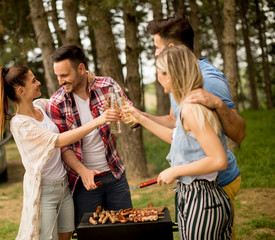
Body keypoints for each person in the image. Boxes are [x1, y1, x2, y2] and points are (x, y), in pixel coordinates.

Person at [145, 14, 245, 239]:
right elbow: (179, 130)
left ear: (171, 53)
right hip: (195, 190)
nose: (155, 54)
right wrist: (140, 117)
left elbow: (237, 135)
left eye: (156, 48)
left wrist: (175, 170)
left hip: (213, 187)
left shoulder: (208, 82)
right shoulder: (183, 90)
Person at [0, 66, 121, 240]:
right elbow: (58, 141)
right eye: (33, 81)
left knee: (66, 236)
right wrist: (99, 120)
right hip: (45, 191)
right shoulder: (20, 124)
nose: (38, 83)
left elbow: (62, 95)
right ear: (20, 90)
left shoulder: (41, 106)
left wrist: (83, 78)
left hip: (63, 187)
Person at [125, 45, 234, 239]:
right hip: (192, 196)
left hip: (203, 200)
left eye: (159, 71)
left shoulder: (191, 110)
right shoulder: (186, 107)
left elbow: (219, 160)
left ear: (169, 75)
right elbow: (175, 138)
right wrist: (140, 118)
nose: (157, 77)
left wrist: (175, 170)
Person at [46, 45, 133, 228]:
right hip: (84, 182)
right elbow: (63, 146)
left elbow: (132, 114)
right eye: (58, 76)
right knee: (92, 234)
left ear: (81, 69)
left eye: (65, 75)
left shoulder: (107, 86)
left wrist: (126, 115)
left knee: (126, 231)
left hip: (115, 174)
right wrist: (83, 171)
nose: (61, 81)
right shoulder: (57, 103)